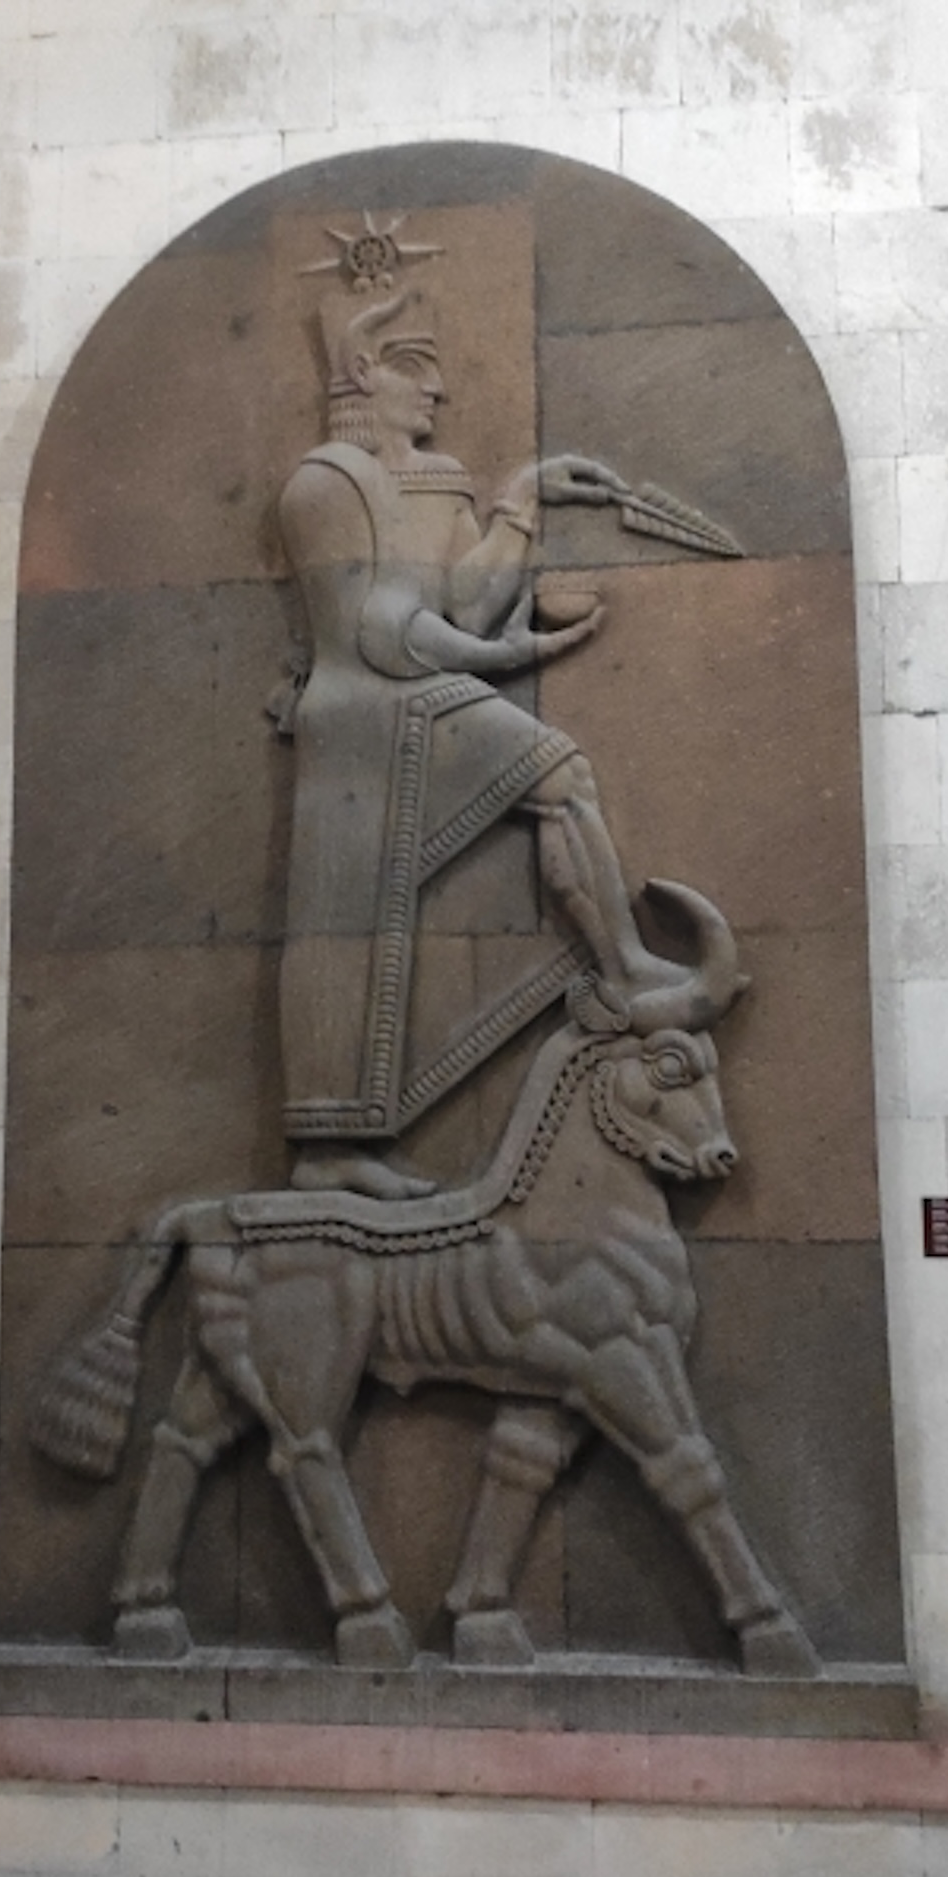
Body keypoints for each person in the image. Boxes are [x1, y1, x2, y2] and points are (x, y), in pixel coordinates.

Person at [278, 252, 677, 1200]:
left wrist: (521, 500)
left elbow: (466, 603)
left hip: (417, 693)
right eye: (415, 366)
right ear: (362, 371)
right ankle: (329, 1147)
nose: (439, 389)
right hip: (367, 714)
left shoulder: (433, 480)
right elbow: (379, 629)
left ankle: (624, 965)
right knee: (347, 921)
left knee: (559, 773)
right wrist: (514, 657)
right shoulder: (326, 484)